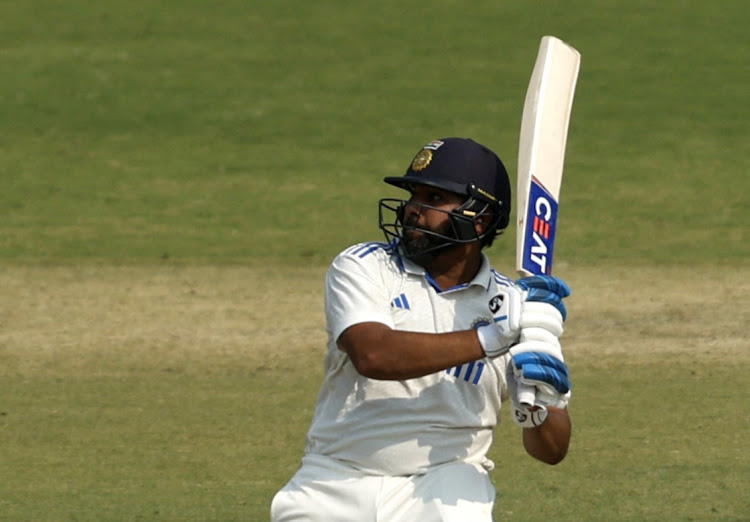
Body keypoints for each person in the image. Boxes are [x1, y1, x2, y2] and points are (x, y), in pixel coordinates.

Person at [270, 137, 573, 521]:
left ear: (479, 218)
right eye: (415, 196)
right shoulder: (364, 266)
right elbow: (373, 354)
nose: (413, 210)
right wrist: (491, 339)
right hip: (335, 476)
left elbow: (552, 451)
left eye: (433, 199)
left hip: (446, 483)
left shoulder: (515, 306)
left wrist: (538, 402)